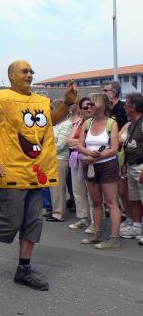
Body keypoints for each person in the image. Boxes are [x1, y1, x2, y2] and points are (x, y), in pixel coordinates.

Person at [0, 60, 77, 291]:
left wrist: (67, 102)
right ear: (11, 75)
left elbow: (49, 122)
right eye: (24, 71)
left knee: (32, 222)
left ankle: (24, 269)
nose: (30, 75)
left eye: (31, 71)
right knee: (10, 222)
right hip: (9, 172)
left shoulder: (39, 101)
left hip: (35, 172)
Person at [77, 93, 121, 249]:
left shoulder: (111, 124)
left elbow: (114, 149)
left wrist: (96, 156)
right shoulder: (87, 123)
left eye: (91, 104)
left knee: (111, 202)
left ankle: (114, 238)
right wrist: (89, 153)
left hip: (107, 166)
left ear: (101, 105)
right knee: (95, 201)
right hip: (90, 165)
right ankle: (97, 232)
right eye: (87, 105)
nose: (88, 107)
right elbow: (80, 145)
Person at [67, 97, 94, 230]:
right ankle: (83, 218)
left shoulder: (96, 123)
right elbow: (68, 140)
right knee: (78, 191)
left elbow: (90, 143)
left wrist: (77, 142)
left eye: (90, 106)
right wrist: (81, 143)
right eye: (85, 107)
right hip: (76, 159)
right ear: (80, 110)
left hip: (90, 160)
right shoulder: (78, 123)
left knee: (91, 192)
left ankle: (95, 221)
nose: (89, 109)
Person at [120, 93, 143, 245]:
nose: (124, 107)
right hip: (132, 165)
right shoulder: (133, 122)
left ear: (133, 107)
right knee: (134, 198)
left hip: (141, 166)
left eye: (126, 104)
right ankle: (136, 226)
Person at [48, 99, 73, 222]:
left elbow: (61, 144)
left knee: (59, 188)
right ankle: (55, 211)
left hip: (61, 158)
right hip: (53, 158)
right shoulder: (56, 124)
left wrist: (46, 154)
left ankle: (59, 214)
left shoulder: (67, 124)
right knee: (53, 187)